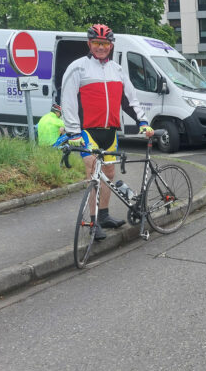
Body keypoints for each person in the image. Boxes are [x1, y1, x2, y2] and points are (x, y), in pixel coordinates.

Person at [62, 24, 154, 240]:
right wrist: (73, 132)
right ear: (89, 44)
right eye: (97, 43)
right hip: (87, 131)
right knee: (93, 173)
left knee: (109, 174)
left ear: (111, 45)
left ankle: (104, 215)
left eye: (105, 43)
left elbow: (129, 99)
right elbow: (67, 101)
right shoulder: (78, 67)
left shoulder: (117, 70)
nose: (101, 47)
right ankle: (94, 223)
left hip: (110, 132)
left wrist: (143, 121)